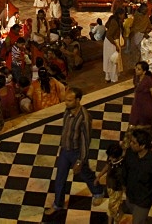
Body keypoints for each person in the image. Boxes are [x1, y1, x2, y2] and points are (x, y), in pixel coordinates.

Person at [45, 87, 106, 215]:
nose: (66, 102)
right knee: (60, 178)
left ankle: (98, 192)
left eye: (69, 100)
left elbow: (86, 140)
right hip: (65, 150)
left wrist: (80, 160)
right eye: (66, 100)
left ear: (78, 100)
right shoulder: (67, 111)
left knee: (86, 174)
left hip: (76, 152)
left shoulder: (84, 117)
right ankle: (58, 204)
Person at [121, 128, 152, 223]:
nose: (130, 144)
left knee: (137, 221)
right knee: (137, 216)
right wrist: (124, 185)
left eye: (134, 142)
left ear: (142, 146)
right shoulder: (130, 153)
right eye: (131, 141)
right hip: (130, 195)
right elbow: (125, 170)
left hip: (144, 199)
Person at [129, 61, 152, 137]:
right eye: (136, 68)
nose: (136, 70)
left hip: (146, 107)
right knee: (133, 124)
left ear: (144, 72)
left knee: (146, 127)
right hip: (137, 105)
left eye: (138, 69)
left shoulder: (149, 81)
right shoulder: (136, 77)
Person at [95, 142, 127, 224]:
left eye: (112, 157)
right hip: (110, 186)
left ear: (119, 156)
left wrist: (126, 190)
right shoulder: (111, 159)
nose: (110, 158)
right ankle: (120, 211)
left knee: (111, 207)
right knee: (115, 203)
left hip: (117, 189)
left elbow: (123, 182)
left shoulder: (121, 168)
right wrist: (99, 176)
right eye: (109, 156)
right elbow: (108, 165)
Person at [103, 8, 125, 84]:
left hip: (110, 42)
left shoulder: (113, 20)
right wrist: (116, 45)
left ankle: (108, 77)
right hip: (112, 42)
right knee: (113, 60)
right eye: (123, 14)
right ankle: (113, 78)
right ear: (119, 15)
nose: (123, 16)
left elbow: (106, 26)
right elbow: (109, 35)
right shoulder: (115, 22)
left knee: (109, 59)